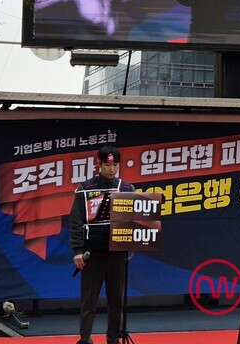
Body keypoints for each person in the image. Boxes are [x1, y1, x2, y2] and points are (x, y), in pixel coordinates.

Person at [68, 146, 135, 344]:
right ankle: (85, 338)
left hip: (117, 254)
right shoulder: (85, 188)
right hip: (91, 254)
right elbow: (75, 221)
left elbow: (134, 220)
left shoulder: (127, 188)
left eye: (115, 165)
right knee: (89, 301)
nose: (112, 169)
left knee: (117, 301)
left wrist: (132, 244)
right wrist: (78, 251)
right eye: (107, 165)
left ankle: (113, 338)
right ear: (98, 164)